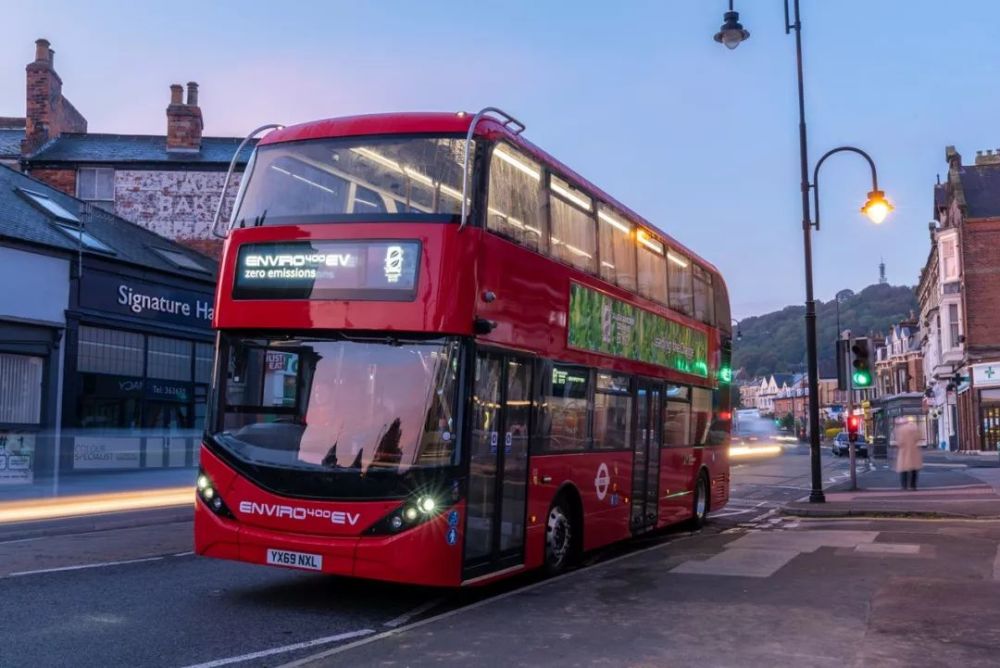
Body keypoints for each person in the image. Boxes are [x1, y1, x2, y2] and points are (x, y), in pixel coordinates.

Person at [894, 418, 923, 490]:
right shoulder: (914, 427)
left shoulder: (900, 429)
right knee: (914, 469)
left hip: (903, 451)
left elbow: (899, 441)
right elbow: (919, 437)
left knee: (903, 469)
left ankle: (904, 486)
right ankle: (913, 486)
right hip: (914, 450)